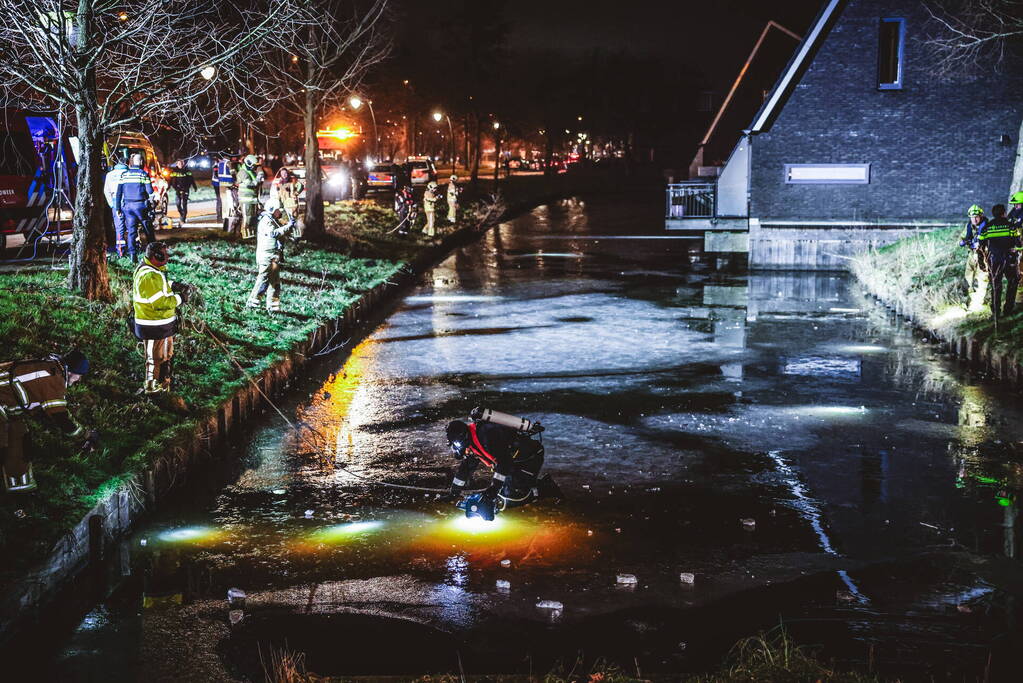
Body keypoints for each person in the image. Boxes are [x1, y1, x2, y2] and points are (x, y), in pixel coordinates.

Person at [1, 351, 94, 493]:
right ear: (71, 371)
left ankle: (20, 490)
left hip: (6, 408)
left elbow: (49, 412)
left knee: (19, 437)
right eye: (79, 375)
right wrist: (85, 435)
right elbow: (61, 417)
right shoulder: (53, 378)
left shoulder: (50, 368)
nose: (79, 380)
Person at [445, 408, 561, 521]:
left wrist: (494, 489)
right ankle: (532, 484)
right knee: (504, 491)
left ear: (463, 437)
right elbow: (466, 468)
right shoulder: (471, 441)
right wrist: (453, 493)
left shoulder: (486, 434)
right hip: (513, 461)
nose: (456, 448)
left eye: (456, 444)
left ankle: (547, 488)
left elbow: (504, 463)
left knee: (514, 496)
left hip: (529, 458)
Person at [132, 242, 191, 394]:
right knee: (155, 358)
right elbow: (160, 302)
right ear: (155, 256)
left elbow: (160, 286)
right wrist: (180, 298)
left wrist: (174, 285)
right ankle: (151, 390)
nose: (168, 257)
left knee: (167, 356)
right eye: (164, 254)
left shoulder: (154, 272)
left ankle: (164, 385)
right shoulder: (149, 275)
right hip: (152, 325)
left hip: (163, 324)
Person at [246, 202, 296, 313]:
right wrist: (288, 226)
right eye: (278, 210)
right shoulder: (266, 221)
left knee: (275, 282)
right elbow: (274, 233)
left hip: (273, 257)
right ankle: (252, 304)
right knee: (263, 280)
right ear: (273, 210)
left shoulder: (272, 220)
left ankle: (273, 307)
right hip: (266, 257)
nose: (280, 212)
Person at [977, 203, 1020, 325]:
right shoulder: (1011, 226)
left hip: (994, 260)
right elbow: (1018, 243)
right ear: (1004, 213)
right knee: (1013, 281)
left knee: (996, 285)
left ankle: (995, 312)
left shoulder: (987, 227)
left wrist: (981, 262)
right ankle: (1008, 309)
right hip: (1009, 259)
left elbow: (980, 246)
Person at [115, 153, 154, 262]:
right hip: (141, 206)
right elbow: (150, 191)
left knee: (131, 231)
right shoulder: (143, 174)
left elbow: (119, 193)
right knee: (147, 229)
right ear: (141, 162)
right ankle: (152, 253)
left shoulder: (124, 175)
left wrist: (118, 208)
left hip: (128, 207)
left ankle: (133, 255)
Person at [960, 204, 989, 311]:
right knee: (967, 280)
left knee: (980, 281)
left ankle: (976, 306)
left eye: (976, 217)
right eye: (972, 217)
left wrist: (978, 245)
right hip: (972, 255)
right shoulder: (969, 226)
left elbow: (986, 241)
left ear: (981, 216)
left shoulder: (986, 226)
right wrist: (963, 241)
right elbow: (964, 237)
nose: (974, 219)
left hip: (983, 257)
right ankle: (966, 302)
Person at [104, 158, 129, 257]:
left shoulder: (110, 175)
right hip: (128, 202)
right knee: (131, 227)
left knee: (119, 228)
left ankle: (120, 251)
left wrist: (111, 205)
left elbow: (106, 190)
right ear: (127, 163)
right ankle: (133, 249)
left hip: (115, 202)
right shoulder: (128, 173)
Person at [269, 168, 304, 237]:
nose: (284, 175)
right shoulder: (280, 183)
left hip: (292, 204)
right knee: (287, 220)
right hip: (285, 204)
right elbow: (279, 194)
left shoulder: (293, 181)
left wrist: (296, 193)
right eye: (282, 174)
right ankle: (291, 233)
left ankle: (297, 234)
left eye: (285, 173)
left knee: (293, 219)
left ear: (287, 173)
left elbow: (301, 186)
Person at [237, 154, 264, 239]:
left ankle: (251, 233)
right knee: (247, 218)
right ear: (248, 164)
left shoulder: (251, 172)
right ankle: (244, 234)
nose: (254, 167)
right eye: (253, 165)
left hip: (253, 199)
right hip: (245, 200)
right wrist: (258, 178)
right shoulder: (242, 172)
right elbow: (250, 184)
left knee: (253, 217)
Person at [169, 160, 198, 227]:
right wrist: (168, 186)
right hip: (177, 189)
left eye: (181, 163)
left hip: (186, 189)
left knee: (184, 204)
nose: (180, 164)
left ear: (183, 164)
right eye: (179, 163)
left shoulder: (187, 171)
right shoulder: (174, 171)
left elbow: (191, 179)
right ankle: (182, 213)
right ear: (177, 164)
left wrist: (194, 187)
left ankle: (183, 219)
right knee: (178, 203)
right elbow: (171, 180)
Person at [216, 154, 237, 232]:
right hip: (229, 186)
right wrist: (236, 180)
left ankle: (224, 220)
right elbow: (233, 173)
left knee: (224, 203)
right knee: (230, 204)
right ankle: (229, 224)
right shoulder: (229, 163)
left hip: (221, 185)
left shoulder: (220, 164)